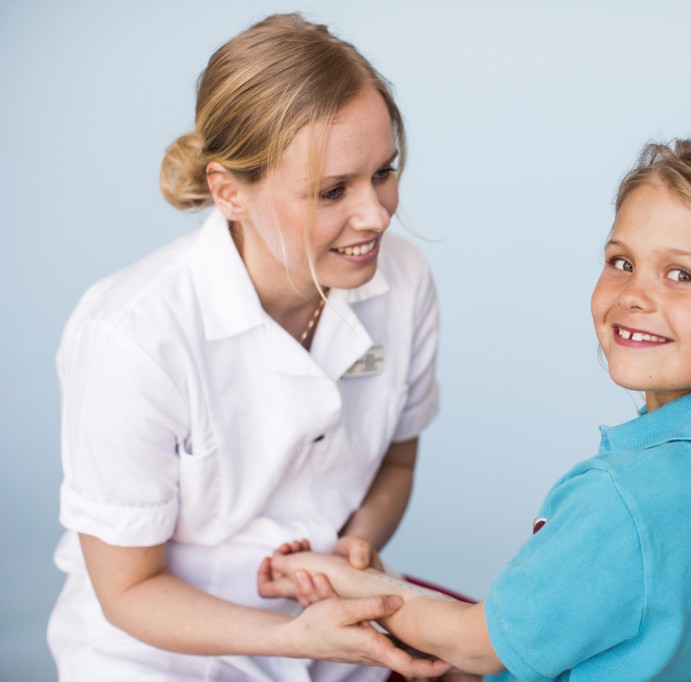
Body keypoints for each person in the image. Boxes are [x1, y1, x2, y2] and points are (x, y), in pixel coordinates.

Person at [259, 134, 691, 680]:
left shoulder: (621, 500)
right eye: (622, 262)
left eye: (682, 275)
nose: (633, 295)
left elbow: (474, 645)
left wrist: (343, 580)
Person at [47, 13, 449, 681]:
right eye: (332, 191)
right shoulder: (130, 335)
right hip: (161, 654)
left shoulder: (404, 281)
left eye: (384, 172)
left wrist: (354, 550)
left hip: (336, 625)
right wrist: (298, 636)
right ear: (230, 192)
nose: (377, 215)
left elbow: (397, 463)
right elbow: (128, 589)